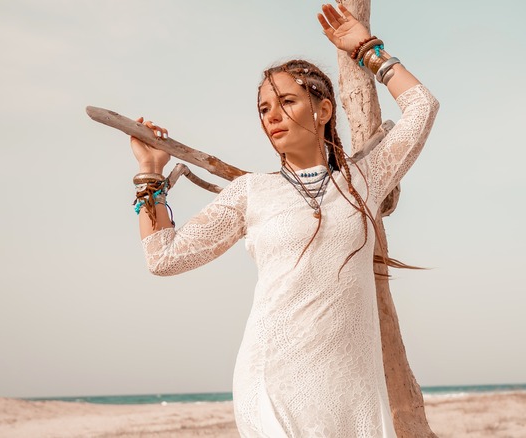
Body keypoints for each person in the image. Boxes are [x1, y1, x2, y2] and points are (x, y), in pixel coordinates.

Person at [128, 4, 439, 437]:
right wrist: (150, 176)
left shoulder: (364, 181)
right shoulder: (251, 193)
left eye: (287, 101)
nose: (272, 115)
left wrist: (367, 50)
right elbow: (163, 258)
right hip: (273, 378)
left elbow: (421, 106)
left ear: (325, 110)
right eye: (263, 109)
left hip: (354, 389)